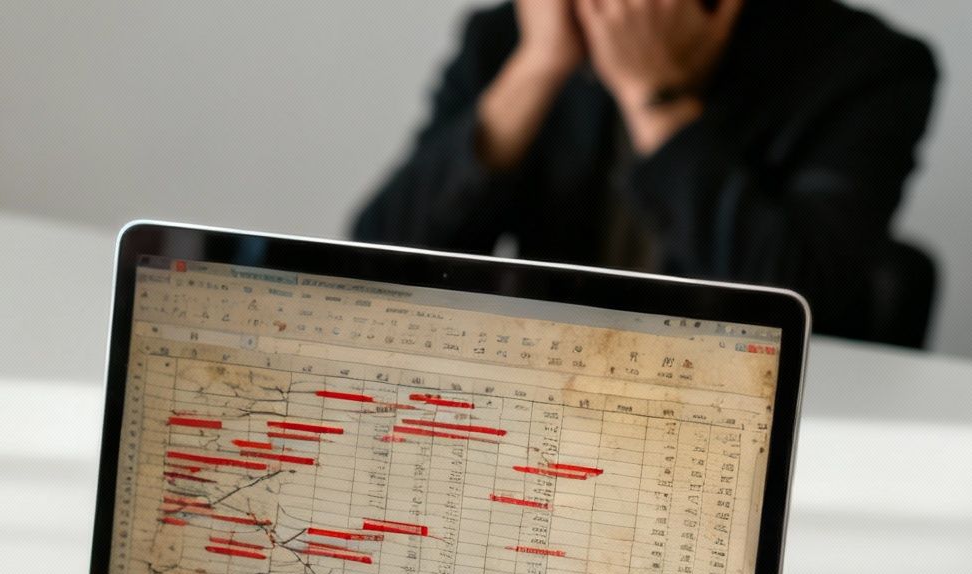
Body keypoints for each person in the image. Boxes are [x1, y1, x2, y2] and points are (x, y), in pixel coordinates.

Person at [352, 0, 939, 342]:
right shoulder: (511, 37)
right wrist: (538, 67)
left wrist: (655, 95)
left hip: (763, 418)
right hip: (564, 386)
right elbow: (374, 267)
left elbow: (798, 299)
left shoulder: (868, 68)